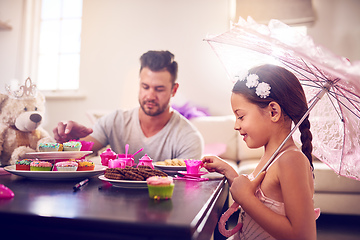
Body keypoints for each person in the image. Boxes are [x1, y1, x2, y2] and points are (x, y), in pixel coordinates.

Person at [202, 64, 318, 239]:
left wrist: (246, 199)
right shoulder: (272, 156)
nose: (236, 125)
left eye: (241, 116)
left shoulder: (291, 160)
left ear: (273, 112)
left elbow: (303, 235)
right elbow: (262, 195)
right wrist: (230, 172)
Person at [53, 50, 204, 162]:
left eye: (159, 89)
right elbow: (78, 152)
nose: (150, 96)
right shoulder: (115, 121)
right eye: (145, 87)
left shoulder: (189, 138)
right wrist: (69, 140)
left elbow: (184, 192)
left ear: (174, 90)